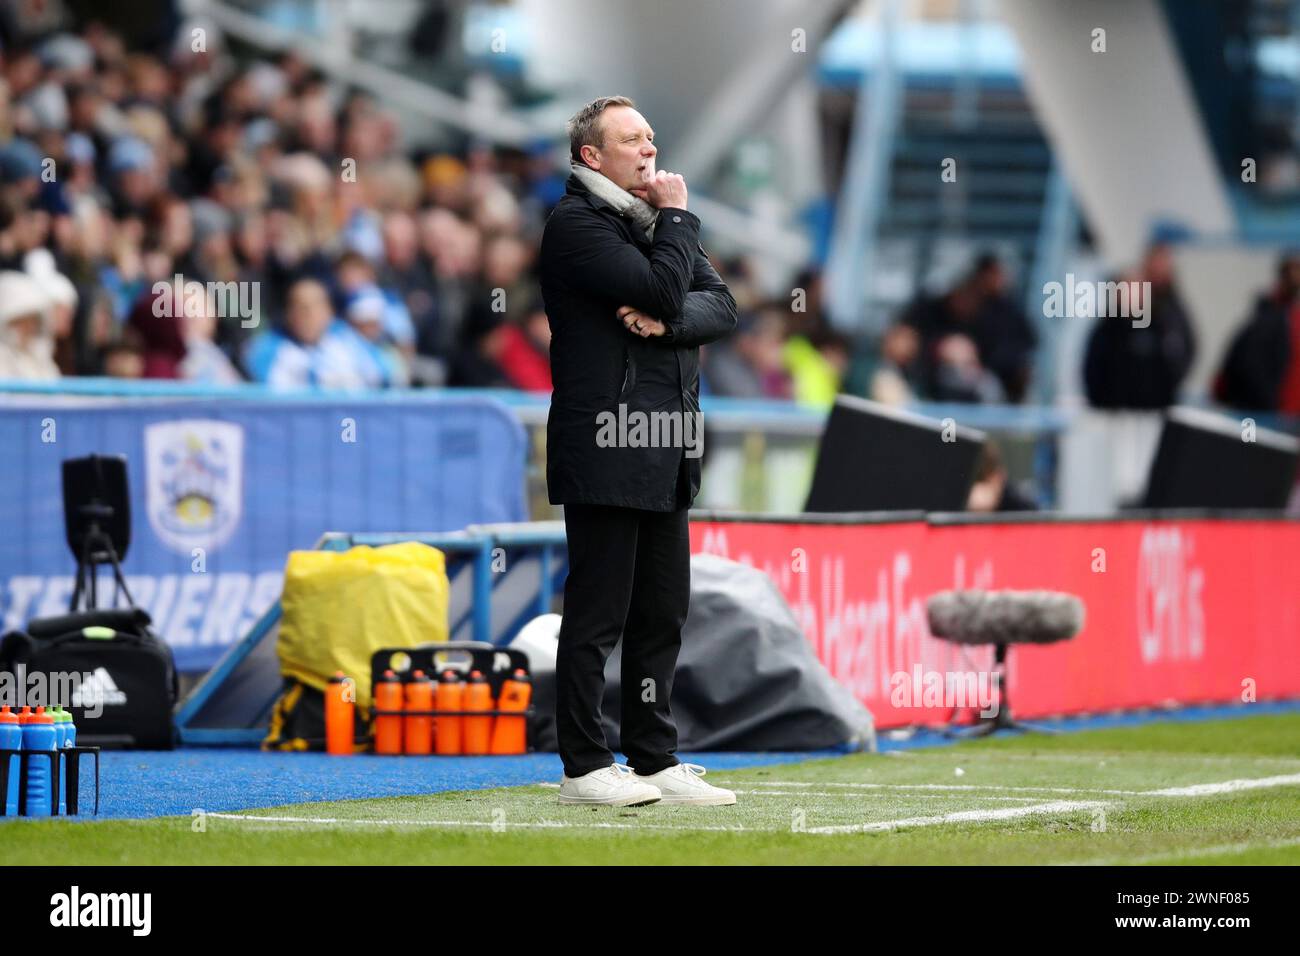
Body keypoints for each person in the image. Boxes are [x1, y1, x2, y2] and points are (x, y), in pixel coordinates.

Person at [539, 95, 738, 807]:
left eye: (651, 136)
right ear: (592, 157)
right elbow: (662, 282)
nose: (649, 149)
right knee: (598, 614)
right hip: (605, 444)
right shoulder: (577, 224)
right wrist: (679, 220)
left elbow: (722, 305)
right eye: (631, 139)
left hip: (668, 445)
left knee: (662, 611)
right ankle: (584, 766)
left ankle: (653, 757)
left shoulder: (650, 222)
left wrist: (666, 321)